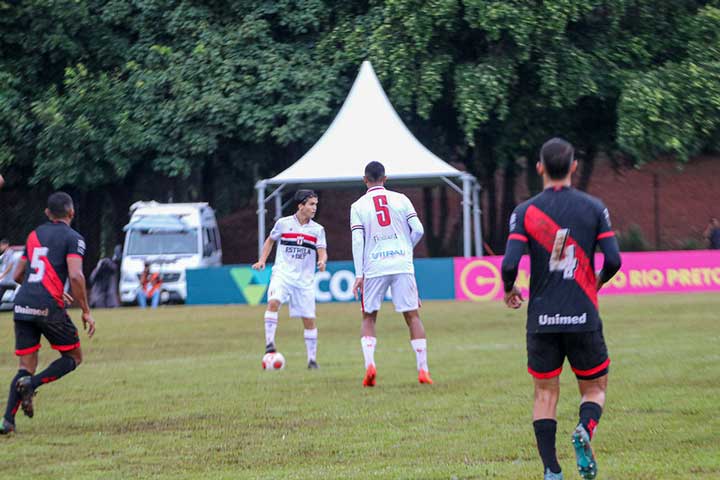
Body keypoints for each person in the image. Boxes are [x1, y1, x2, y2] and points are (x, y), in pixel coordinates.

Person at [501, 138, 622, 480]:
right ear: (573, 167)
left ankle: (552, 471)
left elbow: (509, 264)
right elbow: (614, 259)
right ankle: (585, 428)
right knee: (595, 389)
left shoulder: (525, 212)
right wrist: (597, 280)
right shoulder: (594, 207)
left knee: (545, 393)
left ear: (539, 167)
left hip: (542, 318)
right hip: (583, 314)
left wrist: (509, 289)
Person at [0, 192, 96, 435]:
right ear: (71, 212)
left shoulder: (34, 235)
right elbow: (75, 275)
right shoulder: (74, 238)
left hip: (22, 304)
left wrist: (36, 289)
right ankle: (31, 385)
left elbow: (17, 274)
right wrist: (85, 310)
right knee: (73, 357)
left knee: (26, 364)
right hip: (47, 306)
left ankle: (7, 422)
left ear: (47, 213)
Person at [350, 161, 431, 387]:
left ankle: (370, 365)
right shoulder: (401, 199)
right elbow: (419, 230)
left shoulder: (357, 205)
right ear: (385, 179)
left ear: (365, 180)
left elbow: (358, 240)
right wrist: (406, 247)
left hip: (374, 266)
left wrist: (359, 274)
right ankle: (423, 370)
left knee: (368, 316)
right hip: (401, 263)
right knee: (412, 316)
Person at [252, 190, 327, 369]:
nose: (314, 208)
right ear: (300, 205)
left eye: (316, 204)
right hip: (283, 274)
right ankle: (270, 344)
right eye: (311, 204)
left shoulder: (318, 229)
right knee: (273, 302)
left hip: (304, 281)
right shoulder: (283, 224)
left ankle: (312, 360)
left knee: (309, 320)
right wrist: (262, 260)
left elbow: (322, 250)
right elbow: (270, 240)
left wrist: (322, 260)